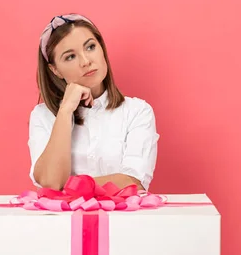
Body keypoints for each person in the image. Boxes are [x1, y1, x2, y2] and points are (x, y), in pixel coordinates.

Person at [27, 14, 159, 192]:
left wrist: (69, 187)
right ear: (55, 70)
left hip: (122, 220)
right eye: (70, 57)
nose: (86, 61)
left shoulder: (137, 111)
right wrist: (65, 111)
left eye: (90, 47)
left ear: (102, 48)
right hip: (61, 220)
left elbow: (134, 182)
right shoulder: (42, 116)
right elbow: (51, 182)